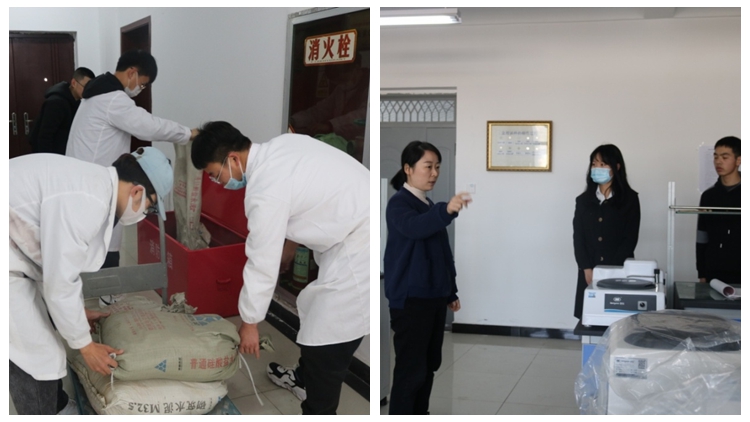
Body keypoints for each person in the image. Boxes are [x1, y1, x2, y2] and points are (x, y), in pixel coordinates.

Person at [190, 121, 369, 415]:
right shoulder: (283, 145)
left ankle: (319, 409)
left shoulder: (264, 191)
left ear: (233, 158)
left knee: (326, 341)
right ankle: (303, 377)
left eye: (215, 174)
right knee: (316, 318)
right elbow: (309, 194)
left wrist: (250, 323)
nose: (217, 182)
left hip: (360, 247)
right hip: (357, 229)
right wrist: (290, 245)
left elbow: (261, 260)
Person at [9, 147, 174, 415]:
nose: (146, 212)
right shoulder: (88, 201)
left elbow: (55, 265)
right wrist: (86, 346)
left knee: (41, 341)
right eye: (151, 205)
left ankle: (57, 407)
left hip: (14, 252)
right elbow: (60, 280)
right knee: (37, 353)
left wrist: (77, 312)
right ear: (137, 192)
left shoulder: (94, 186)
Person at [65, 49, 196, 303]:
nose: (140, 89)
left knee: (93, 241)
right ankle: (106, 299)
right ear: (132, 72)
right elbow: (150, 126)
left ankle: (92, 296)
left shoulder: (94, 95)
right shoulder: (113, 99)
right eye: (143, 83)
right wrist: (187, 133)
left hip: (83, 178)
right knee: (105, 240)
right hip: (96, 183)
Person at [383, 140, 470, 415]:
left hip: (433, 297)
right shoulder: (399, 204)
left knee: (429, 364)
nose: (434, 173)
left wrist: (450, 291)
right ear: (408, 168)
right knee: (412, 369)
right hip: (411, 300)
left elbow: (442, 254)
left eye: (438, 167)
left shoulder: (427, 203)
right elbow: (416, 228)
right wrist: (446, 210)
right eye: (428, 166)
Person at [573, 144, 641, 320]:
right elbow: (578, 237)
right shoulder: (583, 200)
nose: (597, 168)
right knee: (591, 319)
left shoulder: (630, 199)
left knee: (617, 317)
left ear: (616, 167)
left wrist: (609, 271)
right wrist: (586, 267)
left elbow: (630, 238)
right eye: (594, 164)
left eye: (603, 164)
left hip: (619, 270)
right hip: (589, 270)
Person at [696, 136, 741, 285]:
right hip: (714, 271)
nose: (718, 162)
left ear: (738, 160)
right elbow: (701, 236)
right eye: (715, 157)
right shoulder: (708, 196)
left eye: (724, 157)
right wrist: (702, 272)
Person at [28, 67, 95, 154]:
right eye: (85, 86)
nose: (88, 90)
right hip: (49, 154)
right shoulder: (56, 103)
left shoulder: (76, 102)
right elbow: (45, 136)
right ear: (74, 83)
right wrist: (49, 159)